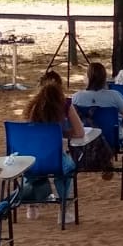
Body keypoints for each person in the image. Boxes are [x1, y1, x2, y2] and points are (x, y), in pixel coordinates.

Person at [19, 72, 83, 221]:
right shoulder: (65, 104)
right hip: (55, 159)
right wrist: (63, 133)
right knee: (67, 168)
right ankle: (63, 209)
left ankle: (32, 206)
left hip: (31, 160)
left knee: (32, 166)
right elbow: (79, 132)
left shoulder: (32, 106)